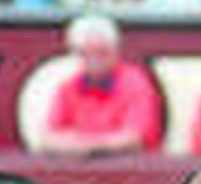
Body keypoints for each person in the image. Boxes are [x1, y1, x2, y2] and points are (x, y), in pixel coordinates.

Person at [36, 13, 164, 155]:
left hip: (131, 169)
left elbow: (133, 139)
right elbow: (47, 139)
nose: (94, 61)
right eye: (85, 54)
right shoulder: (68, 87)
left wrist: (82, 144)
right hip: (77, 170)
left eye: (101, 53)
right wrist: (99, 143)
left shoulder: (136, 83)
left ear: (116, 51)